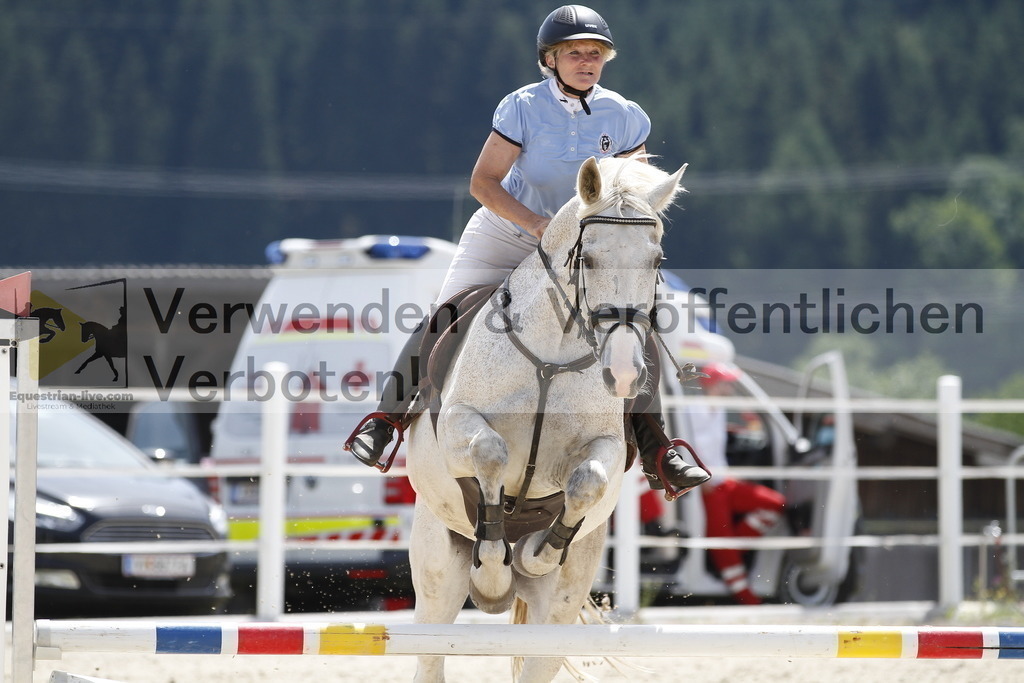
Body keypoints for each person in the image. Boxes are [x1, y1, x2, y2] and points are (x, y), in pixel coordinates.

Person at [346, 5, 709, 494]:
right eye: (575, 53)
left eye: (596, 54)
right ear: (550, 59)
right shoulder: (521, 106)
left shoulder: (625, 117)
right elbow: (483, 182)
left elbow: (631, 193)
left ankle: (658, 449)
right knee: (445, 314)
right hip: (508, 231)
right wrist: (536, 224)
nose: (587, 61)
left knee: (631, 326)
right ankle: (386, 421)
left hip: (581, 247)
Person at [684, 362, 786, 605]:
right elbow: (683, 447)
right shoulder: (690, 411)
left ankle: (731, 554)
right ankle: (746, 596)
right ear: (712, 385)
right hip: (705, 487)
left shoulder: (718, 411)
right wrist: (697, 478)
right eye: (725, 384)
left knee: (775, 504)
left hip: (723, 482)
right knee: (722, 540)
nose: (729, 388)